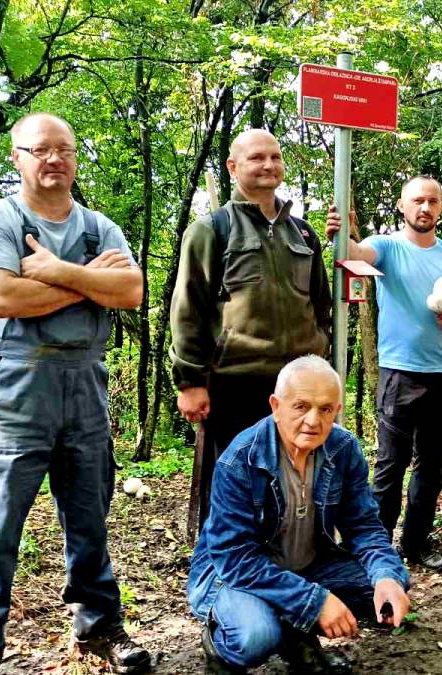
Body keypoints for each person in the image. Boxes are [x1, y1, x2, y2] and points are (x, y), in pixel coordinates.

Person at [0, 113, 151, 674]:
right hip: (16, 386)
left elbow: (131, 291)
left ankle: (99, 626)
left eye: (64, 149)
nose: (54, 158)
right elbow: (5, 299)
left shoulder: (100, 227)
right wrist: (89, 282)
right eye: (40, 149)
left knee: (90, 516)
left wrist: (55, 271)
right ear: (16, 157)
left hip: (86, 380)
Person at [187, 355, 411, 674]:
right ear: (276, 406)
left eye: (325, 409)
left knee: (385, 585)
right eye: (301, 406)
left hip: (307, 566)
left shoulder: (343, 449)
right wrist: (315, 602)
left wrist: (387, 576)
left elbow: (364, 527)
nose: (312, 420)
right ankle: (220, 643)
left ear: (337, 410)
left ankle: (294, 632)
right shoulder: (240, 460)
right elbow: (235, 559)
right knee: (255, 637)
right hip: (233, 575)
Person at [171, 129, 331, 533]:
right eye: (257, 158)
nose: (268, 165)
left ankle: (282, 557)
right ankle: (219, 561)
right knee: (231, 487)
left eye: (275, 157)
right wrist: (190, 382)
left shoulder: (303, 233)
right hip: (234, 384)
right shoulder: (213, 229)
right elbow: (188, 308)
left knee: (292, 483)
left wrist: (320, 352)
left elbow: (320, 305)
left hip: (296, 388)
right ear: (233, 166)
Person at [326, 177, 442, 570]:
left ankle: (416, 544)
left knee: (430, 466)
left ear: (440, 207)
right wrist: (342, 234)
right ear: (402, 205)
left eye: (433, 201)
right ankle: (376, 550)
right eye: (417, 200)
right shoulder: (387, 246)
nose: (425, 208)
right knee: (390, 465)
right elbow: (354, 254)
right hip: (399, 373)